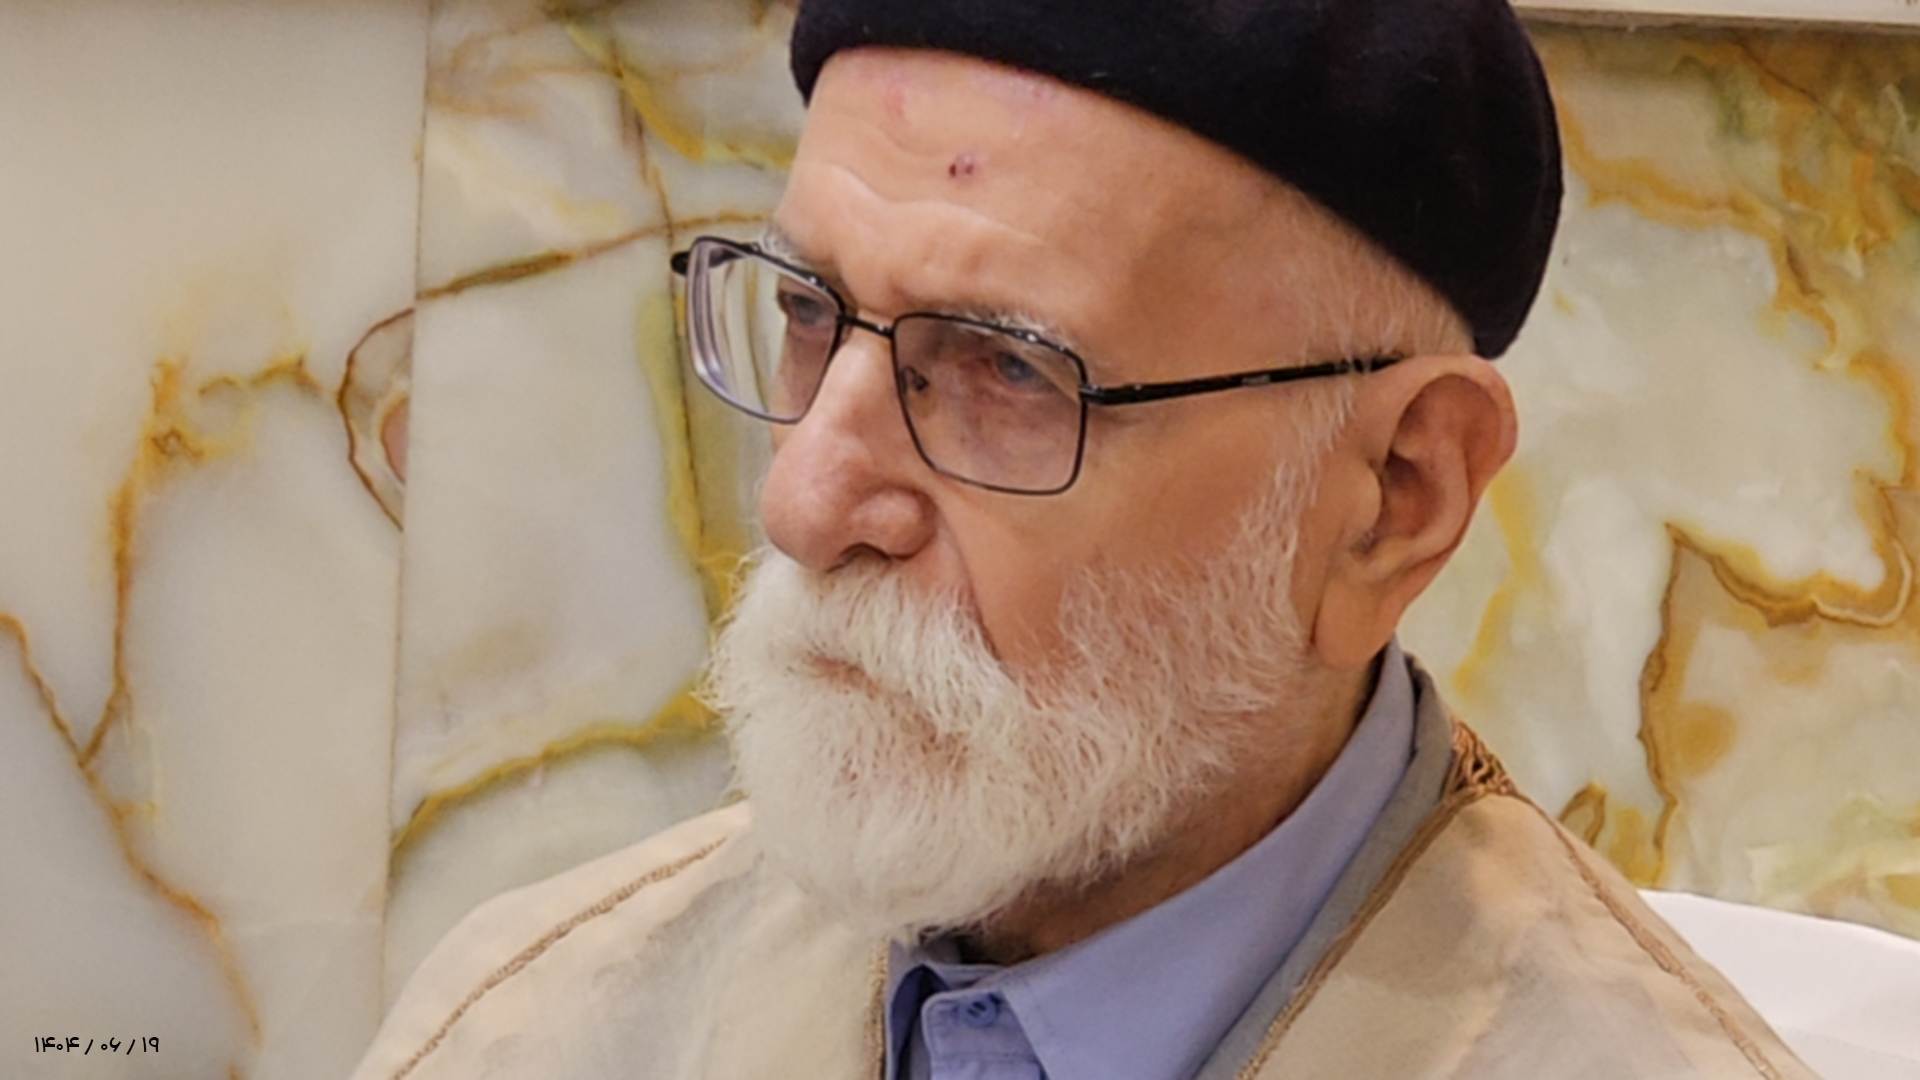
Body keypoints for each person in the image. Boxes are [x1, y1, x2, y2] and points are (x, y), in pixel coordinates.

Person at [350, 1, 1819, 1078]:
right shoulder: (531, 1026)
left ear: (1395, 498)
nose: (803, 504)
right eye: (807, 313)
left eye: (1004, 370)